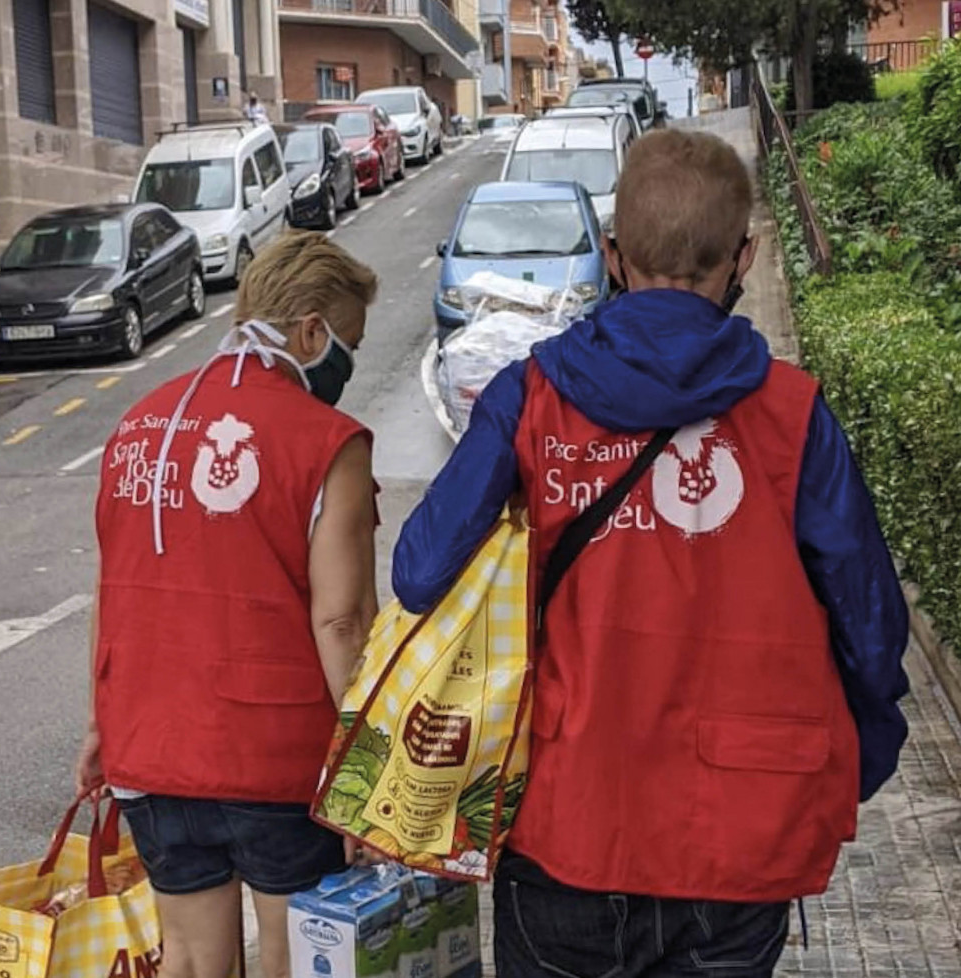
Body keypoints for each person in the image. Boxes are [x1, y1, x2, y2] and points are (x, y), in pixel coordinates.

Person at [392, 129, 910, 977]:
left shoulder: (531, 397)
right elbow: (868, 626)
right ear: (742, 258)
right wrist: (852, 762)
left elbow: (417, 572)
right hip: (741, 842)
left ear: (611, 255)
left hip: (567, 829)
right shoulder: (792, 414)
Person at [76, 231, 379, 978]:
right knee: (286, 956)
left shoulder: (138, 425)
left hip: (147, 743)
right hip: (272, 753)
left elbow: (114, 588)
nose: (347, 362)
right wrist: (370, 775)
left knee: (188, 959)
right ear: (311, 331)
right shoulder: (327, 441)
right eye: (349, 341)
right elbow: (342, 622)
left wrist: (99, 722)